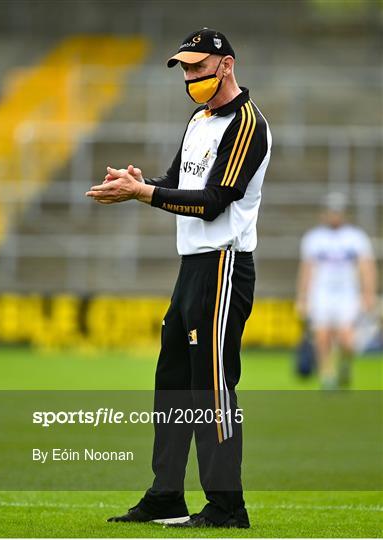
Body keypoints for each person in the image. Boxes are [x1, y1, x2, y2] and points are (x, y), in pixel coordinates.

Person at [86, 28, 272, 529]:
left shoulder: (248, 125)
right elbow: (176, 184)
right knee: (171, 381)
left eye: (197, 68)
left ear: (226, 65)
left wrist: (144, 194)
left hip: (224, 264)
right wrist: (136, 183)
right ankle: (167, 494)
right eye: (185, 70)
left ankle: (227, 507)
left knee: (211, 387)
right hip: (192, 266)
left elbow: (214, 202)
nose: (190, 78)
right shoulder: (200, 118)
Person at [296, 192, 377, 390]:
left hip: (347, 293)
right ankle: (327, 376)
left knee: (347, 339)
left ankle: (345, 365)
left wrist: (369, 294)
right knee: (322, 335)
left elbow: (367, 268)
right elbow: (306, 270)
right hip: (321, 292)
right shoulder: (314, 238)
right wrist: (303, 297)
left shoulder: (356, 238)